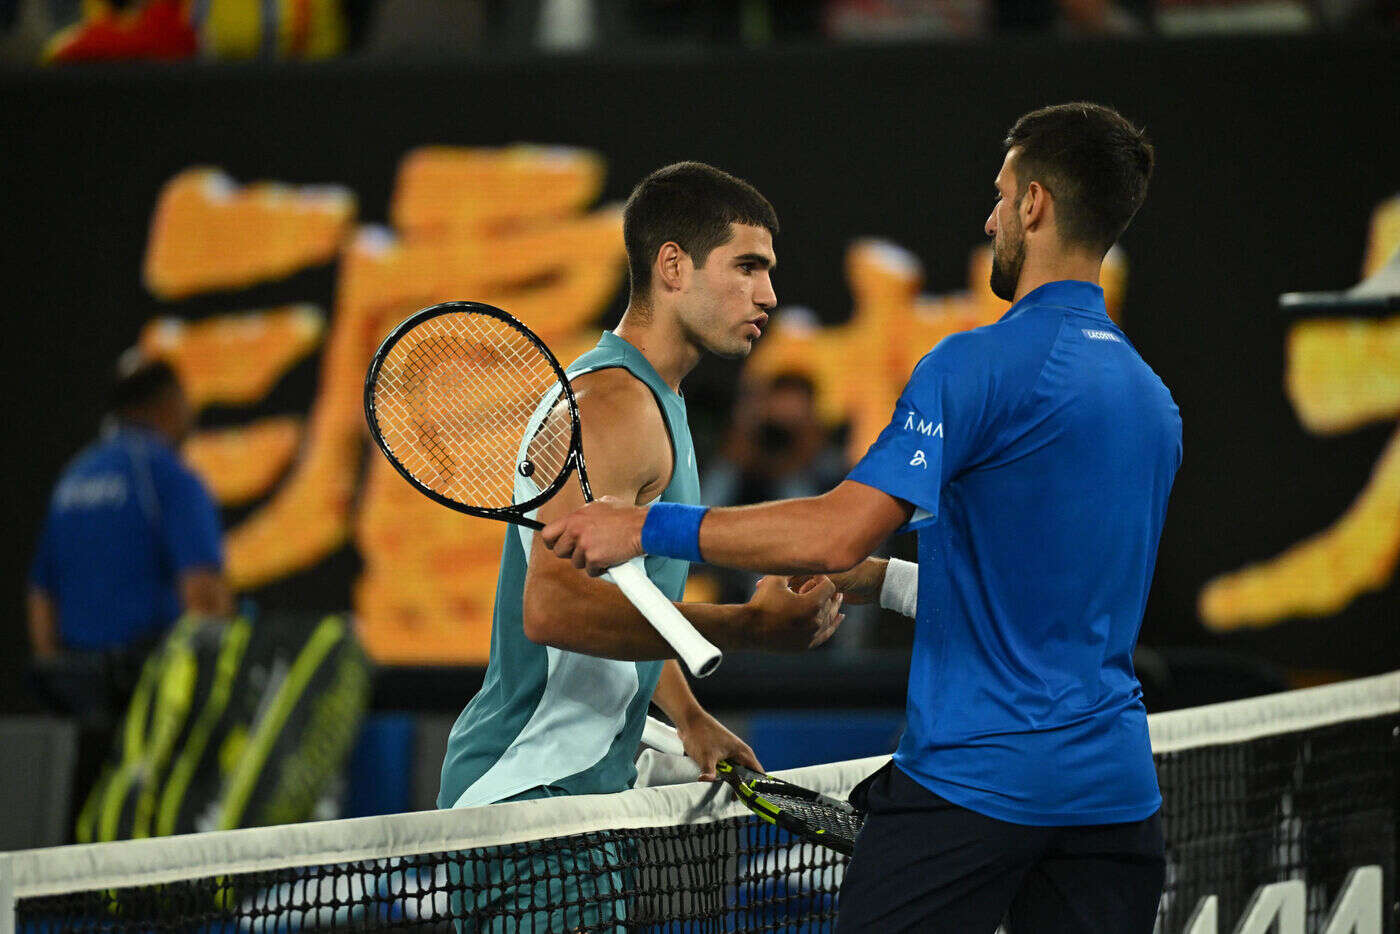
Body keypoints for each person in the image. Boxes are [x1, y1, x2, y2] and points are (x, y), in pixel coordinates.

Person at [542, 103, 1180, 932]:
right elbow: (1041, 593)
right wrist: (874, 580)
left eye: (999, 195)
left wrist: (642, 529)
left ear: (1033, 206)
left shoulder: (974, 364)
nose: (989, 219)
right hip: (1114, 804)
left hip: (975, 789)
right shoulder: (1153, 402)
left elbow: (835, 528)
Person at [436, 162, 843, 929]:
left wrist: (687, 714)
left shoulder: (655, 402)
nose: (769, 295)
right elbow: (555, 609)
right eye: (748, 267)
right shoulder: (612, 407)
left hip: (573, 811)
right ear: (673, 266)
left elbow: (626, 593)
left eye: (769, 272)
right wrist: (741, 627)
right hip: (531, 814)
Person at [28, 351, 229, 723]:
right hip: (150, 695)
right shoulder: (169, 477)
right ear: (169, 404)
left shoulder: (74, 477)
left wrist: (59, 683)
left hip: (78, 698)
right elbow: (203, 595)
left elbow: (41, 595)